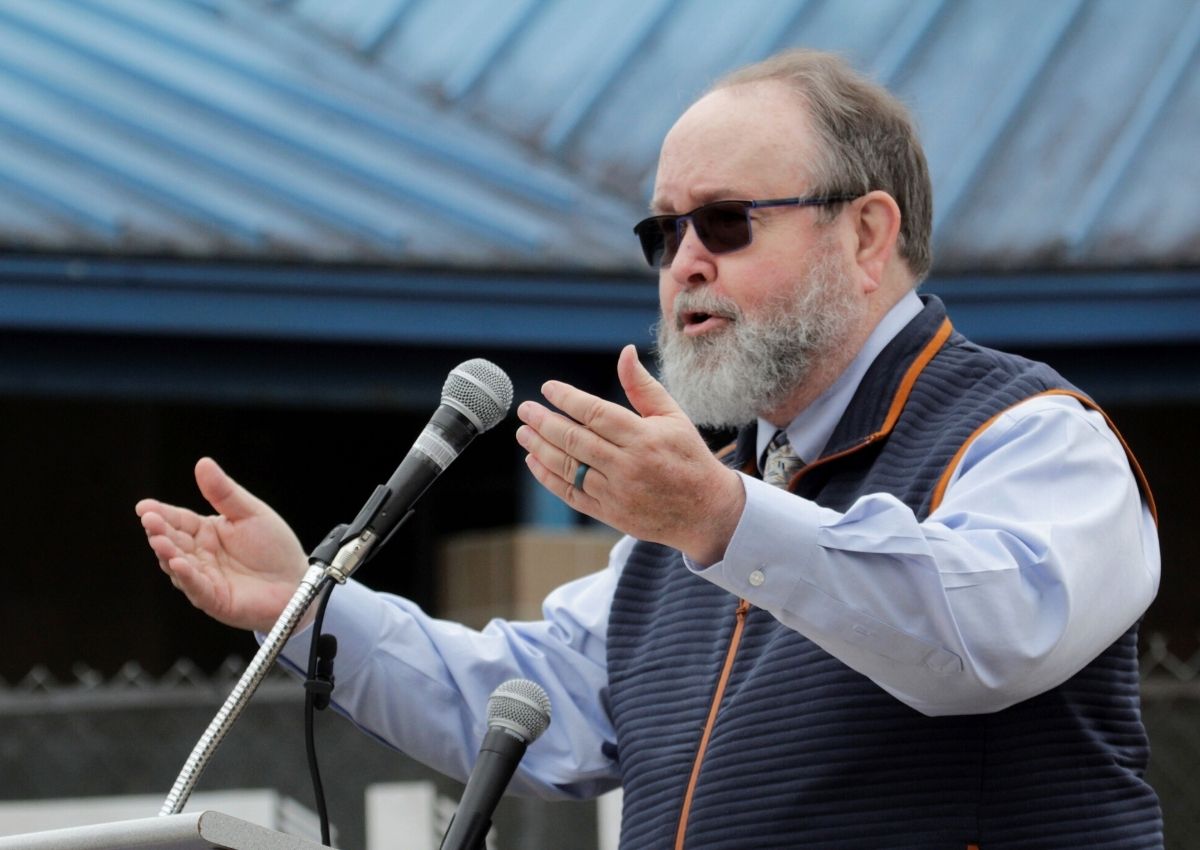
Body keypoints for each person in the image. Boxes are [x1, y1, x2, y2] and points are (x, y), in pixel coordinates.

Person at [137, 49, 1163, 849]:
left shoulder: (1030, 437)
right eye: (663, 234)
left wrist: (722, 521)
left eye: (725, 222)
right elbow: (525, 698)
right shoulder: (710, 500)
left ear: (865, 235)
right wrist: (307, 610)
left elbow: (986, 631)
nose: (686, 264)